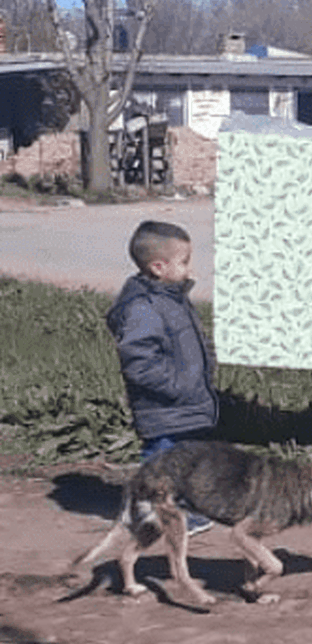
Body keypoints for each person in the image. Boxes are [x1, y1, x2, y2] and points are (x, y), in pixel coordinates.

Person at [106, 220, 218, 534]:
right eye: (183, 262)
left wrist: (205, 368)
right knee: (161, 459)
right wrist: (177, 386)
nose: (188, 269)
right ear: (158, 267)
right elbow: (139, 362)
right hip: (164, 405)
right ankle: (153, 513)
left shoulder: (170, 298)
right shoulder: (144, 308)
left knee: (181, 461)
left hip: (183, 400)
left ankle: (171, 508)